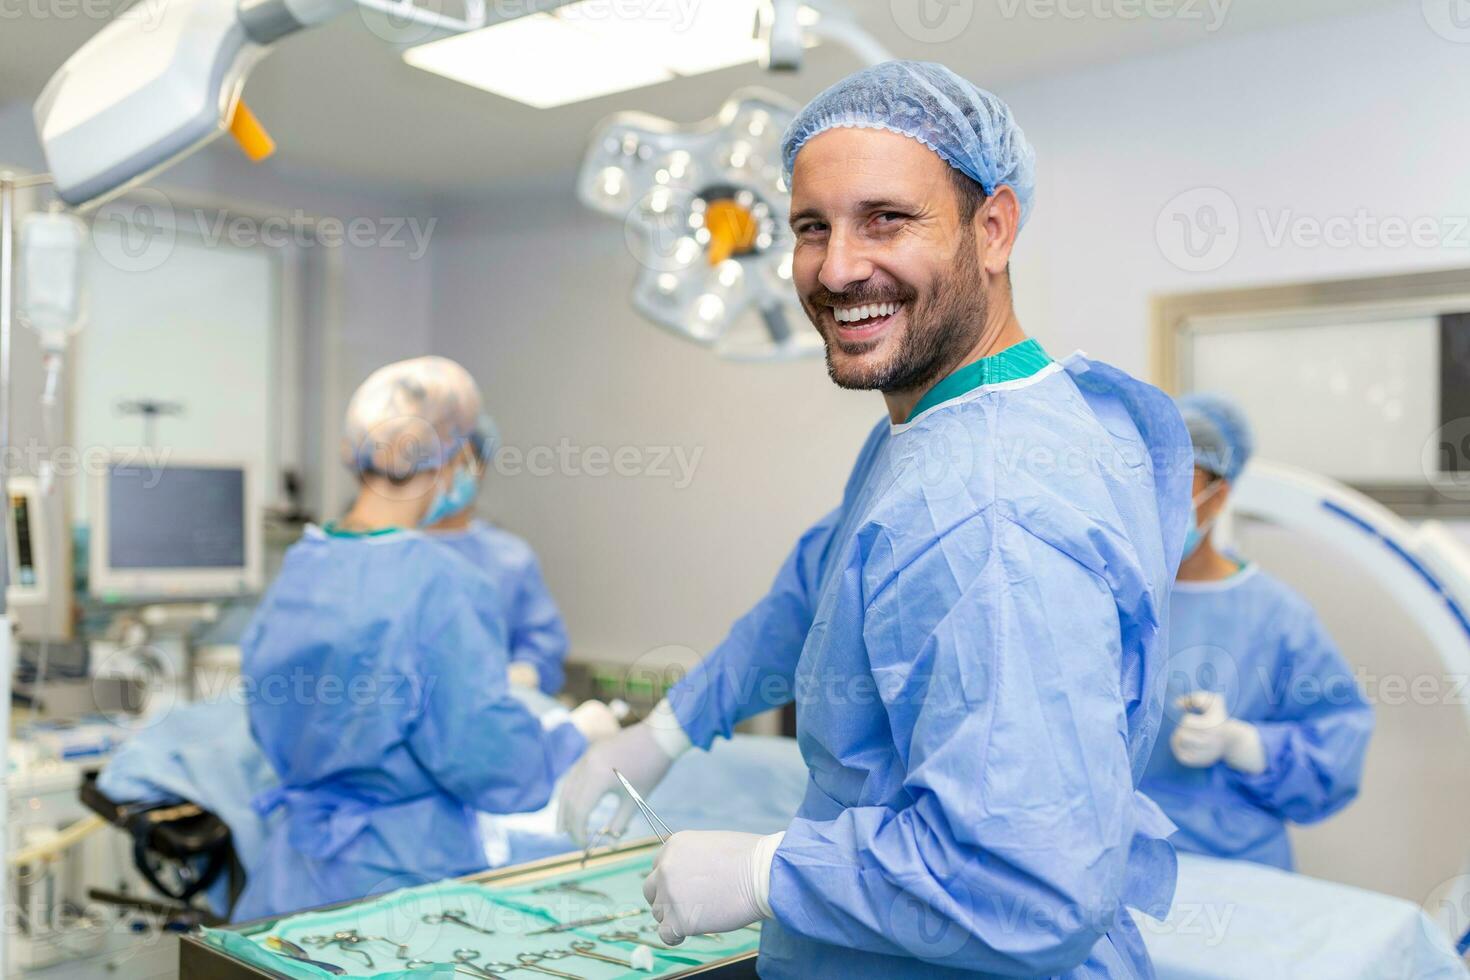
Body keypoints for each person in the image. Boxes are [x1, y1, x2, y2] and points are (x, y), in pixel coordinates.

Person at [557, 61, 1194, 978]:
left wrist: (767, 871)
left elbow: (1027, 882)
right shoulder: (946, 425)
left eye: (886, 220)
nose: (839, 267)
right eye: (812, 227)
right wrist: (666, 730)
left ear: (994, 229)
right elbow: (820, 598)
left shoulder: (993, 509)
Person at [235, 356, 616, 920]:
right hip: (398, 892)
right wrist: (570, 736)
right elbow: (495, 767)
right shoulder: (439, 585)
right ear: (457, 456)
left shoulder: (303, 565)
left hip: (291, 885)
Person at [1140, 393, 1373, 871]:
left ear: (1217, 497)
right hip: (1118, 866)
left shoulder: (1275, 615)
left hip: (1238, 870)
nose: (1154, 501)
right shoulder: (1119, 597)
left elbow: (1337, 748)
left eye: (1174, 486)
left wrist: (1245, 744)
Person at [427, 418, 571, 695]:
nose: (447, 473)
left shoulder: (509, 559)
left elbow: (543, 645)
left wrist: (523, 676)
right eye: (439, 461)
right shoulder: (392, 554)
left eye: (461, 461)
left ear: (480, 468)